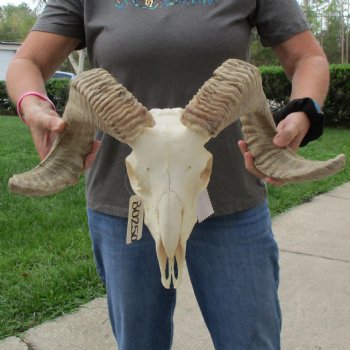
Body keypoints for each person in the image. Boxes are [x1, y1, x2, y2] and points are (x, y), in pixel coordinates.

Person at [6, 1, 329, 349]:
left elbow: (306, 58)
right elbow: (29, 61)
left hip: (229, 197)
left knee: (249, 340)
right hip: (127, 199)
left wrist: (303, 112)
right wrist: (32, 103)